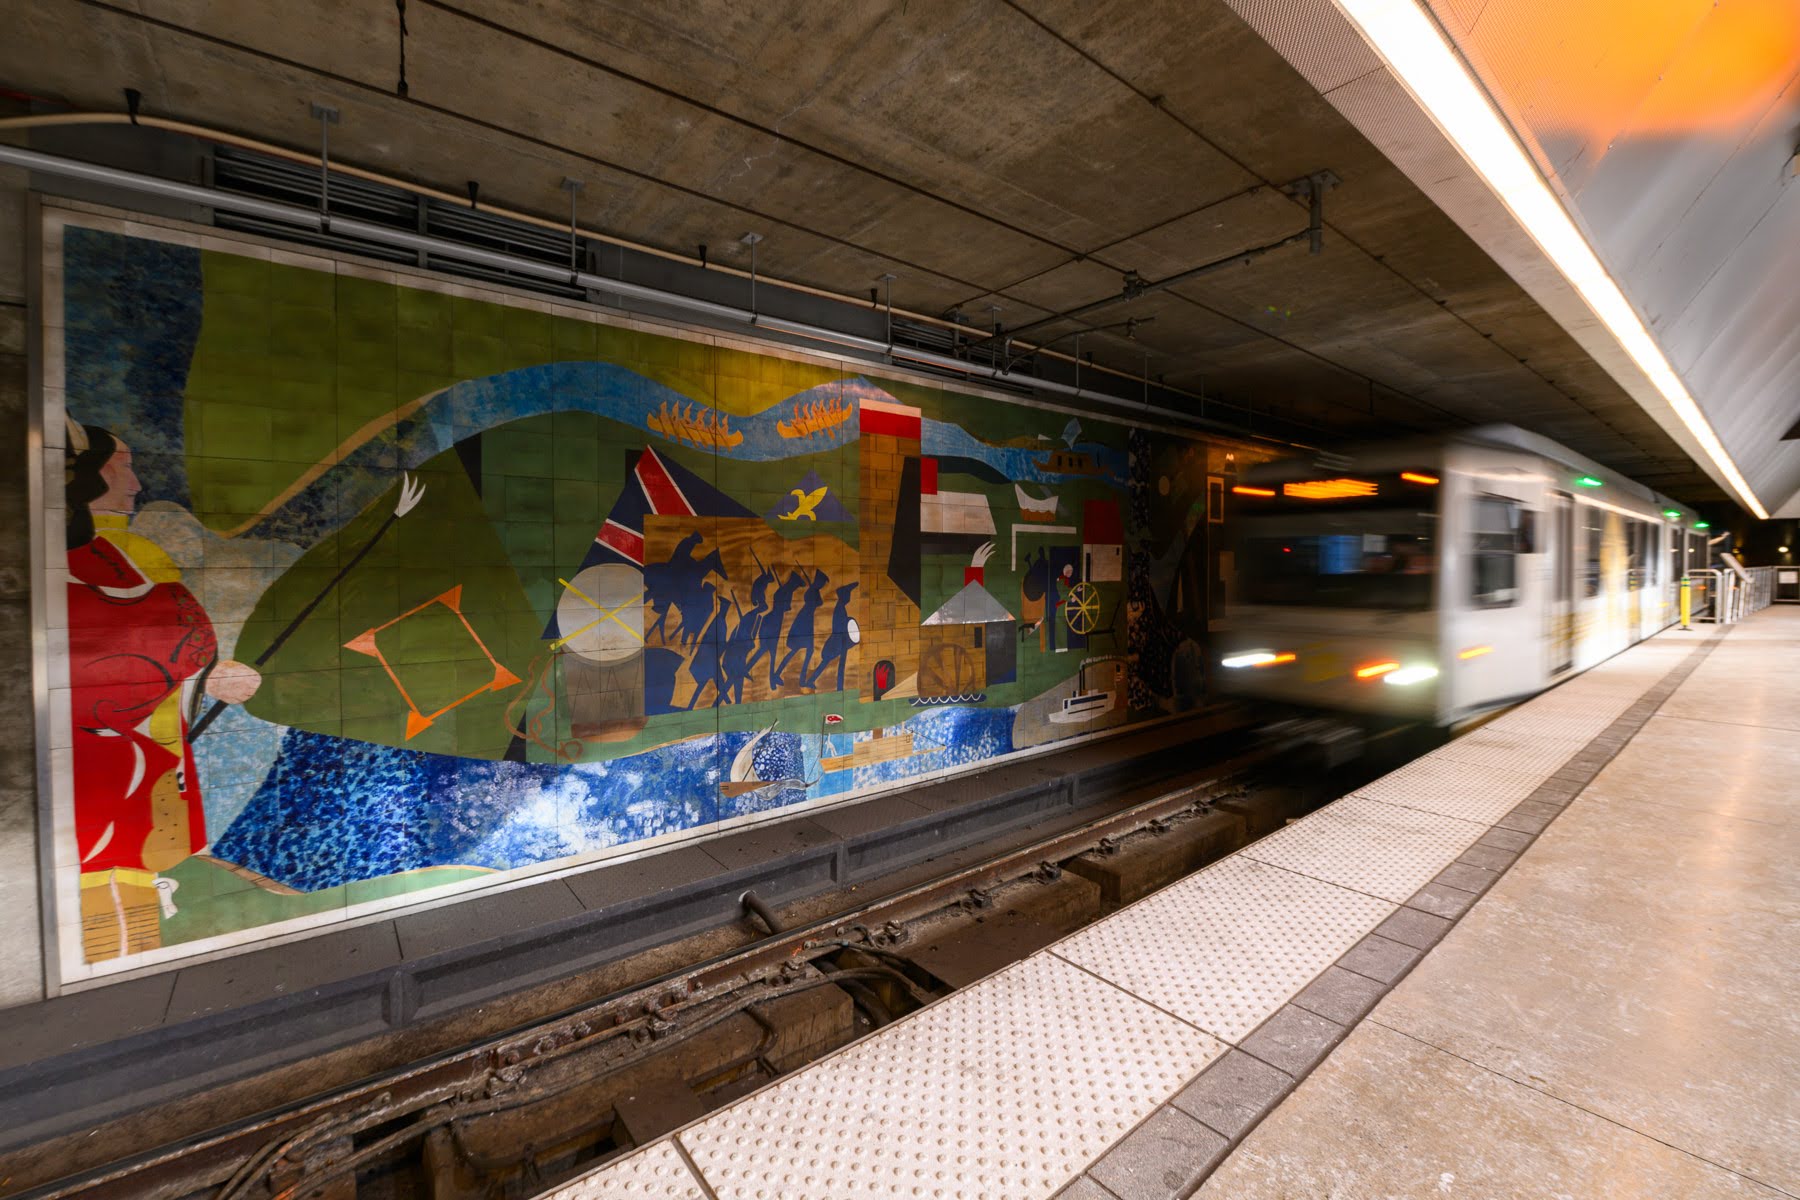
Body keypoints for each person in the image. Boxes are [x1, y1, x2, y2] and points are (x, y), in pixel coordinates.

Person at [64, 419, 261, 962]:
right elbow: (110, 656)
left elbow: (169, 640)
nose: (136, 483)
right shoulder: (79, 560)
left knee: (130, 871)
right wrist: (201, 672)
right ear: (82, 474)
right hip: (106, 754)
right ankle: (111, 976)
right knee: (104, 873)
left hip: (143, 751)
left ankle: (127, 966)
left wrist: (202, 673)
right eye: (120, 466)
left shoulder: (122, 555)